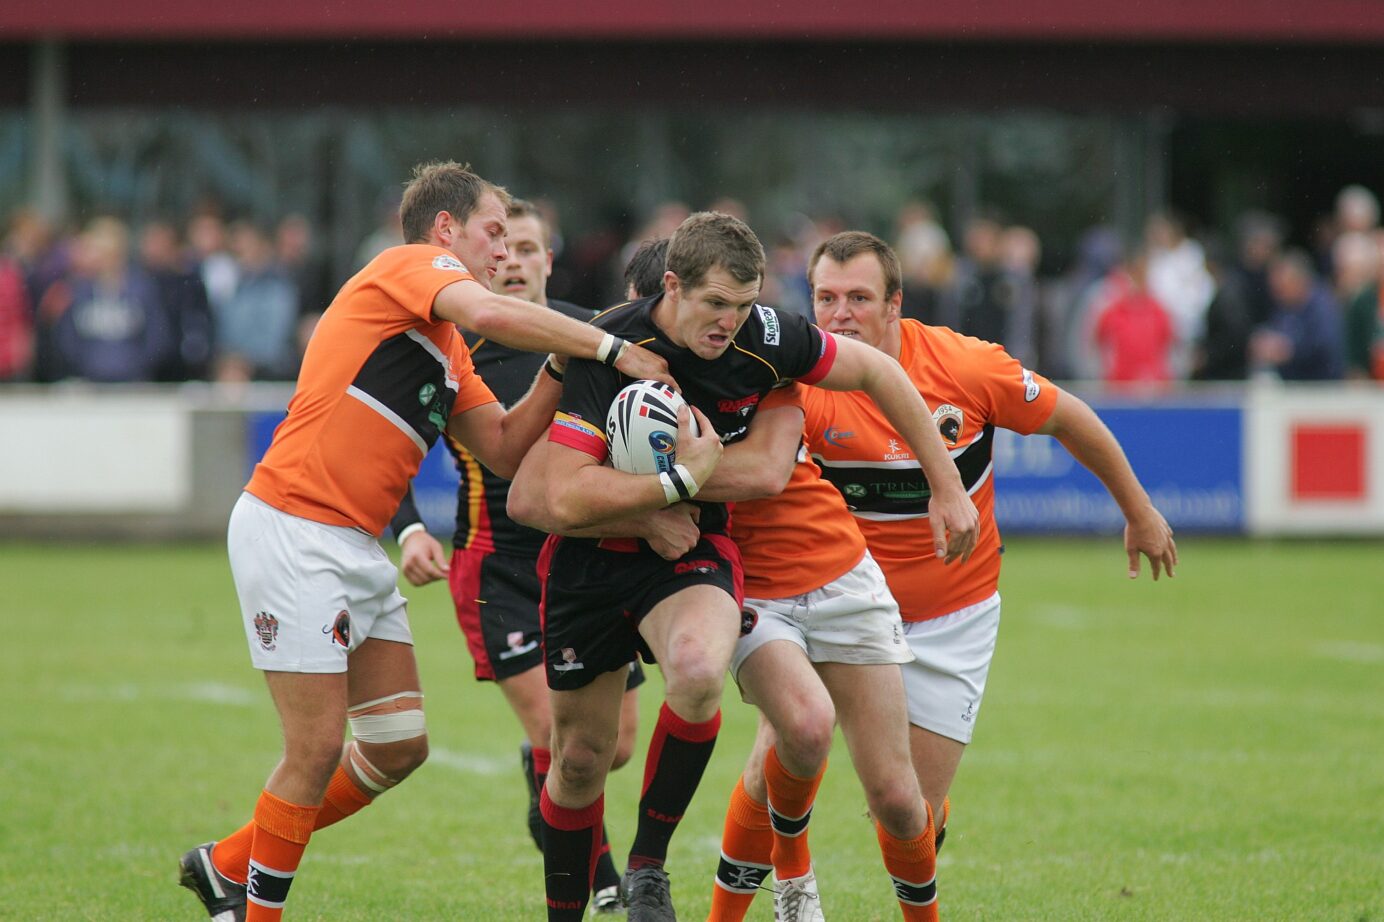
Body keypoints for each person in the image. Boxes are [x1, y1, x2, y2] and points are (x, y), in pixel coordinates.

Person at [177, 160, 673, 922]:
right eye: (494, 233)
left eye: (514, 239)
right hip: (294, 527)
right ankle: (252, 911)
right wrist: (607, 345)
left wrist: (558, 365)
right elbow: (500, 313)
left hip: (349, 548)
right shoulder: (408, 266)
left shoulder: (448, 344)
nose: (506, 252)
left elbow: (505, 448)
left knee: (397, 745)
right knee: (313, 750)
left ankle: (227, 866)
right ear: (447, 231)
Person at [505, 211, 979, 921]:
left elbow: (794, 444)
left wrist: (945, 482)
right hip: (593, 567)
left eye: (744, 302)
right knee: (579, 761)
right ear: (670, 288)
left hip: (703, 554)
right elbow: (547, 496)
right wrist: (658, 498)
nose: (732, 322)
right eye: (716, 305)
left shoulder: (768, 340)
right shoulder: (615, 345)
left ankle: (650, 871)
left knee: (702, 677)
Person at [710, 231, 1178, 920]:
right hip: (828, 600)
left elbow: (1071, 420)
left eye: (859, 299)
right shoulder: (793, 376)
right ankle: (791, 880)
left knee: (904, 811)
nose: (839, 315)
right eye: (825, 298)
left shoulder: (965, 366)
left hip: (949, 615)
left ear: (895, 304)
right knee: (784, 745)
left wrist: (1138, 511)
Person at [388, 199, 652, 914]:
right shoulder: (452, 345)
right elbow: (391, 443)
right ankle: (598, 885)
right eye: (500, 250)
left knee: (616, 743)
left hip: (586, 559)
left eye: (528, 249)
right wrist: (411, 528)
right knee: (558, 736)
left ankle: (541, 780)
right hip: (495, 564)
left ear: (549, 258)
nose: (512, 262)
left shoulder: (590, 333)